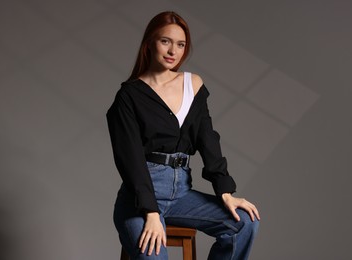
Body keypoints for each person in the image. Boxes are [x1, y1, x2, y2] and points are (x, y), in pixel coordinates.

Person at [107, 11, 260, 260]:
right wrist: (151, 212)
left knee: (244, 222)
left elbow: (208, 139)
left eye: (180, 44)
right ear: (149, 43)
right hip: (140, 197)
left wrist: (225, 192)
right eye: (165, 41)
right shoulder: (129, 95)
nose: (172, 51)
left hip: (182, 194)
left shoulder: (193, 84)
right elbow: (130, 159)